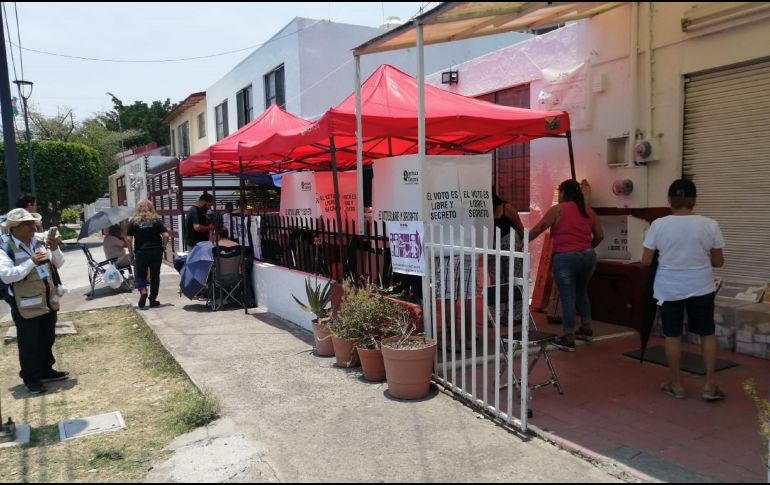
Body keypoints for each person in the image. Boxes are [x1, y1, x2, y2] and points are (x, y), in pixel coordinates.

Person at [641, 179, 725, 401]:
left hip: (669, 289)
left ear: (669, 200)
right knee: (707, 333)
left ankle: (676, 384)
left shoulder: (659, 224)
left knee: (672, 335)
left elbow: (645, 260)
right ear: (694, 200)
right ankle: (708, 385)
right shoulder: (710, 224)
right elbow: (718, 261)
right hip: (702, 286)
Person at [529, 179, 604, 351]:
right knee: (581, 291)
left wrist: (520, 243)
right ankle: (586, 328)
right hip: (587, 256)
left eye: (560, 192)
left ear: (564, 193)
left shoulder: (558, 210)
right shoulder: (588, 211)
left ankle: (568, 337)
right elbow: (600, 235)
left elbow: (540, 228)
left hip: (565, 258)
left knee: (567, 296)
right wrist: (586, 248)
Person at [0, 208, 68, 394]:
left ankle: (46, 370)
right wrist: (31, 262)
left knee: (47, 337)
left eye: (33, 223)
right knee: (29, 342)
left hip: (47, 298)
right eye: (28, 224)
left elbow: (58, 263)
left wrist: (55, 249)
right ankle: (31, 378)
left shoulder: (39, 241)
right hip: (25, 304)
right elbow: (7, 276)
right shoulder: (5, 249)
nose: (33, 226)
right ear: (15, 228)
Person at [127, 200, 169, 309]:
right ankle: (152, 299)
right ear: (151, 207)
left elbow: (128, 239)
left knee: (141, 274)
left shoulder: (133, 222)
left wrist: (131, 252)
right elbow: (166, 235)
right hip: (156, 251)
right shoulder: (156, 220)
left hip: (141, 252)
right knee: (155, 276)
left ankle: (143, 290)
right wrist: (164, 246)